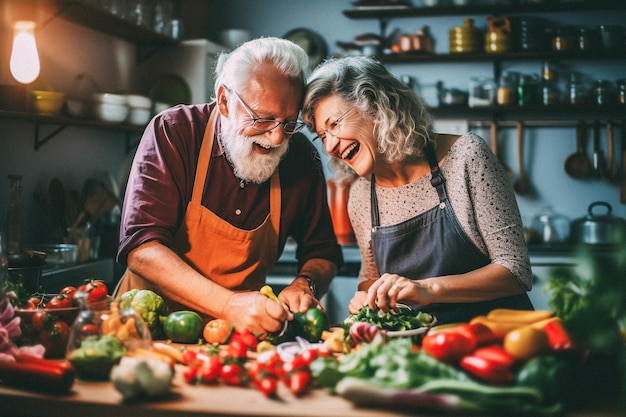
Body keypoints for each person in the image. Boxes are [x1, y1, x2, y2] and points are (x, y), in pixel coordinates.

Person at [115, 37, 343, 337]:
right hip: (142, 330)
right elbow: (141, 248)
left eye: (289, 123)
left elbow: (322, 251)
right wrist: (228, 304)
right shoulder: (175, 132)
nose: (276, 139)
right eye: (263, 119)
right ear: (224, 100)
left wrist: (306, 284)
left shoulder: (299, 156)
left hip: (235, 339)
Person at [302, 56, 533, 325]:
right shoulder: (362, 196)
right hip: (420, 348)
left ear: (375, 106)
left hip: (498, 340)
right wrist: (365, 296)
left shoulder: (467, 157)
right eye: (323, 136)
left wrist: (428, 290)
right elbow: (371, 279)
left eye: (334, 125)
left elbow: (516, 272)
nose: (329, 146)